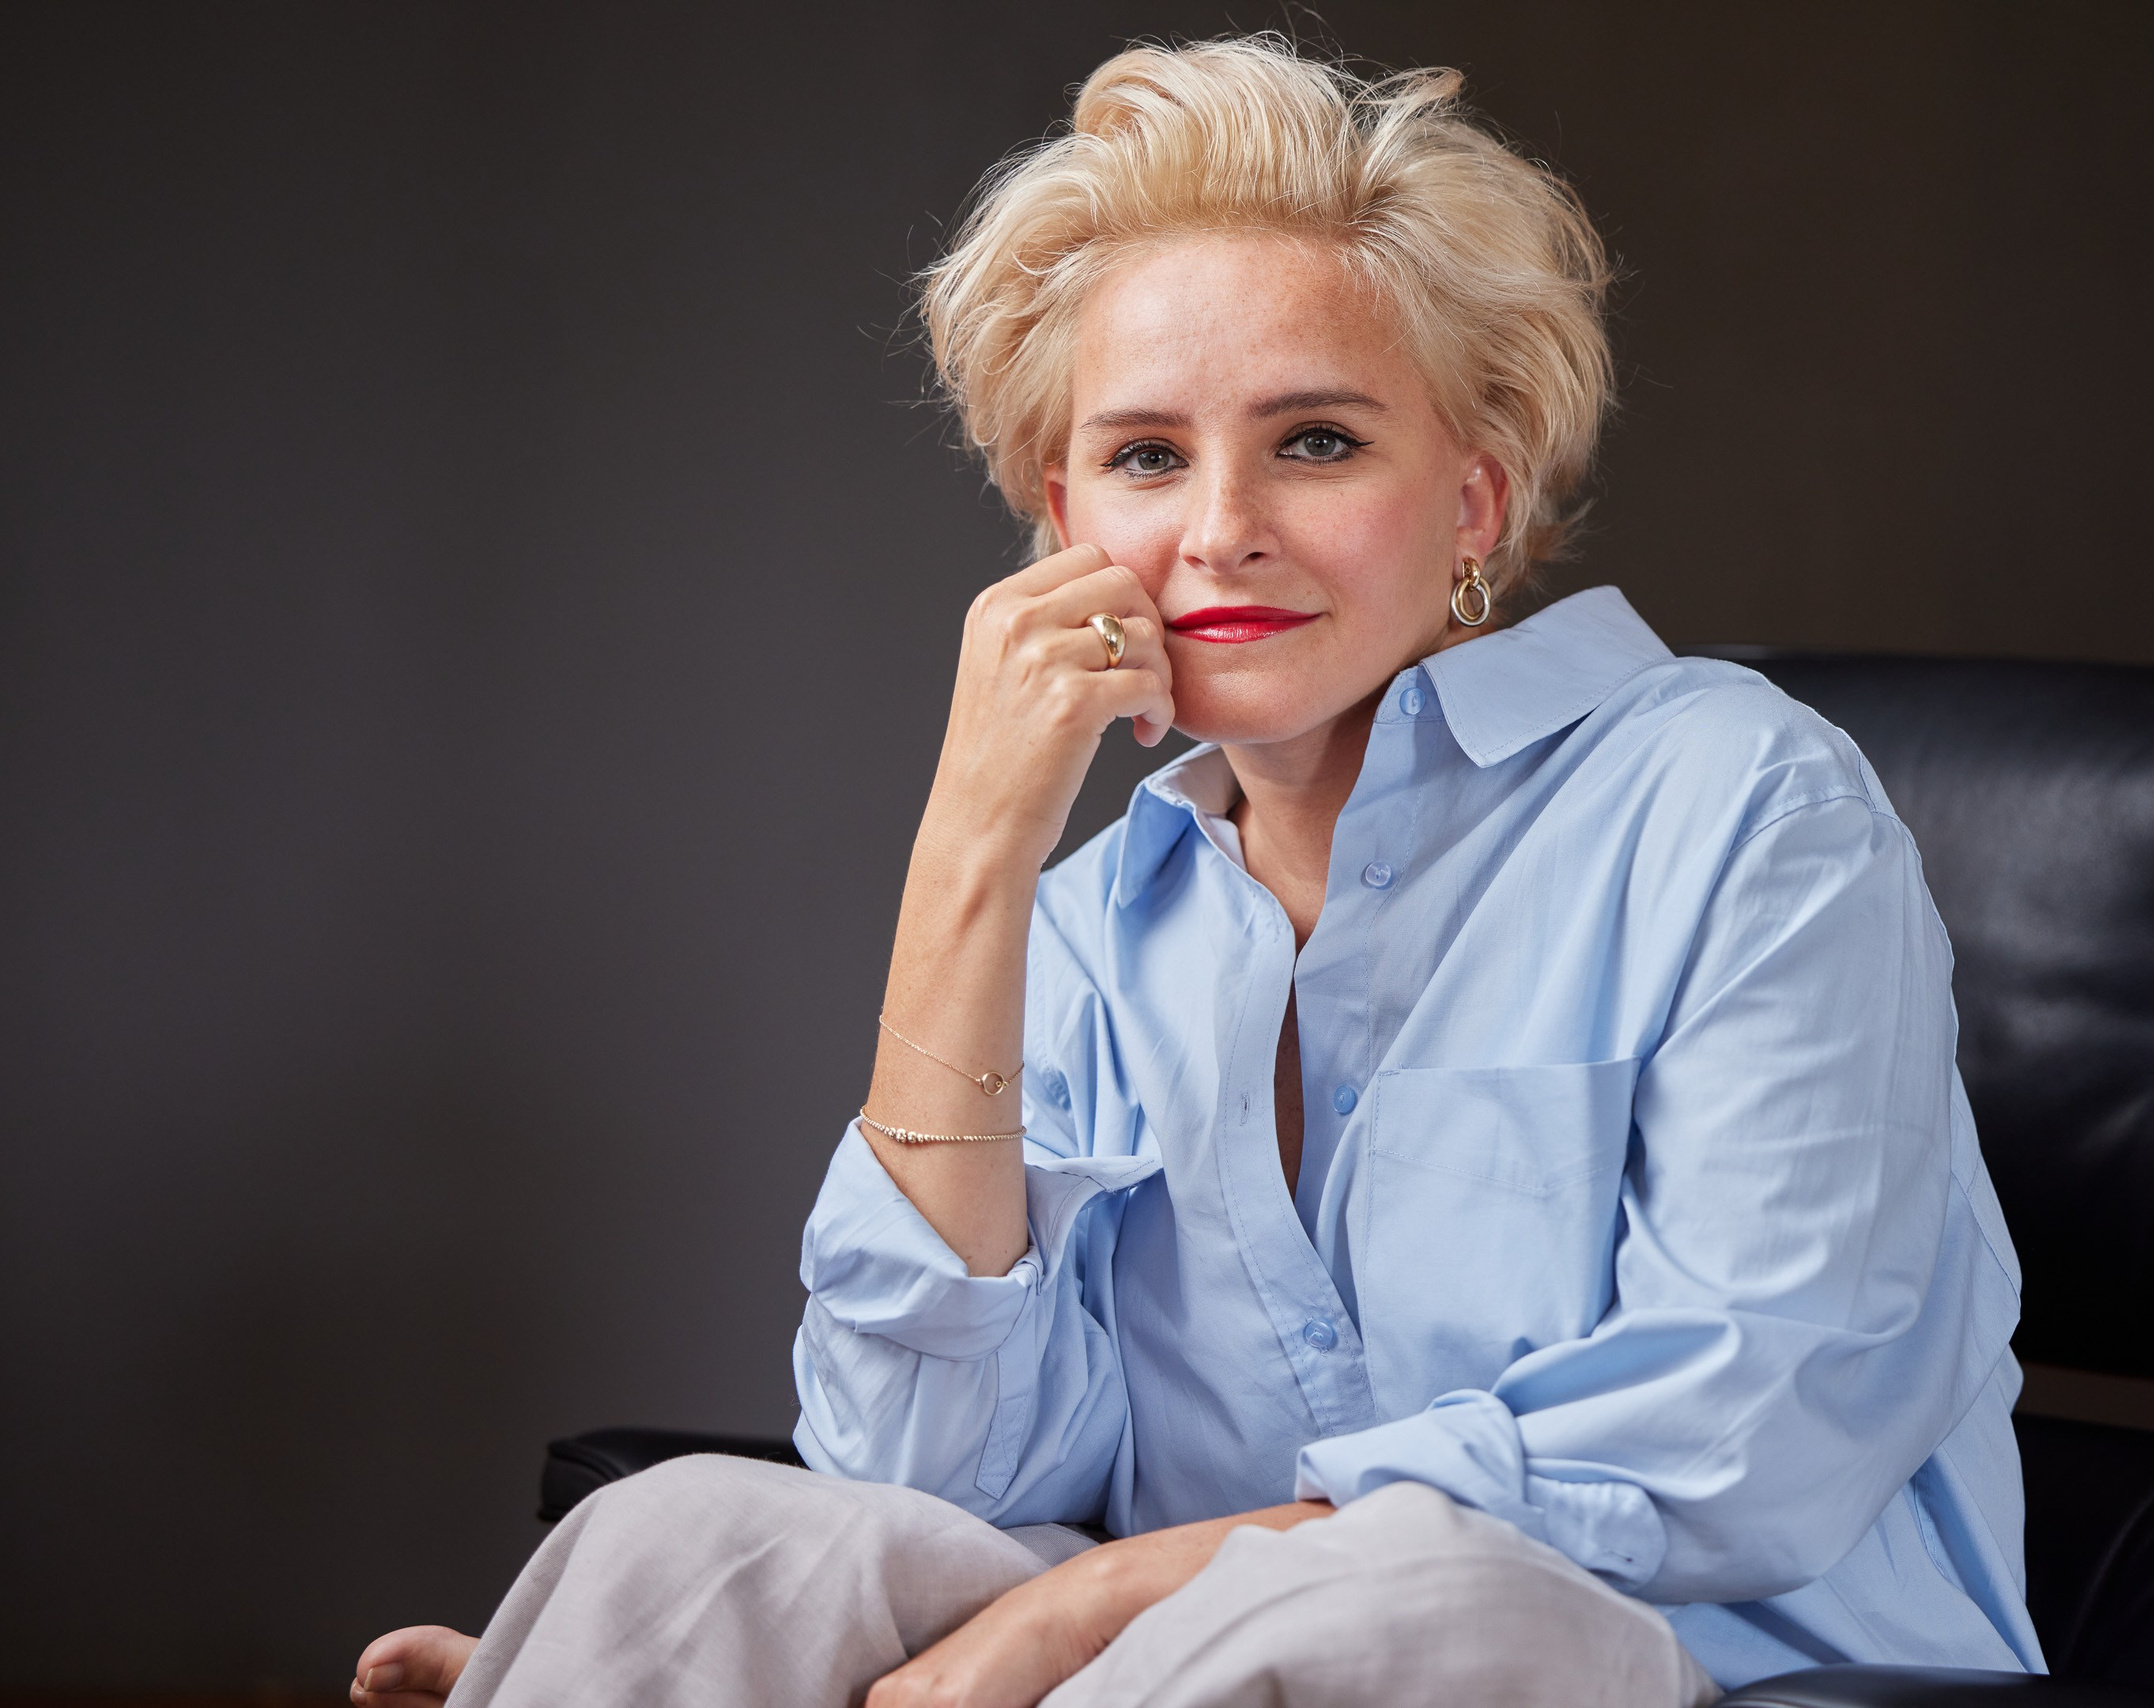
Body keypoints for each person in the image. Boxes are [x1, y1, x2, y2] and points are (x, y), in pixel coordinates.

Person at [351, 35, 2043, 1708]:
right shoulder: (1097, 928)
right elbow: (921, 1464)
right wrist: (973, 854)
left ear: (1475, 496)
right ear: (1061, 508)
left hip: (1699, 1674)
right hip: (1192, 1668)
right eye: (1147, 456)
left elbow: (1750, 1415)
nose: (1218, 526)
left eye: (1315, 441)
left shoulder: (1739, 800)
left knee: (1406, 1596)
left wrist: (1124, 1589)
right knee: (702, 1541)